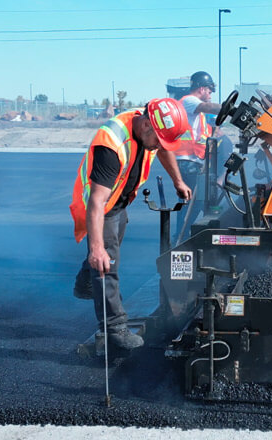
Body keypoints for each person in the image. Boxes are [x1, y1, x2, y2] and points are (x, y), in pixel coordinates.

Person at [70, 98, 192, 350]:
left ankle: (85, 282)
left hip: (119, 201)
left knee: (106, 253)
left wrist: (177, 181)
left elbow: (163, 147)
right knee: (106, 263)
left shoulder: (149, 127)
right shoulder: (111, 145)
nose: (159, 145)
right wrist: (96, 249)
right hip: (101, 208)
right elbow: (95, 202)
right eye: (158, 139)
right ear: (146, 125)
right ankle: (114, 329)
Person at [173, 71, 232, 242]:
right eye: (209, 91)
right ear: (202, 88)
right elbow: (209, 107)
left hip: (193, 161)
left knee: (198, 200)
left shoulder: (196, 111)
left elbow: (213, 129)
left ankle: (185, 236)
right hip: (186, 161)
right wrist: (230, 108)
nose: (210, 95)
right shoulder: (189, 101)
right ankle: (181, 238)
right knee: (194, 202)